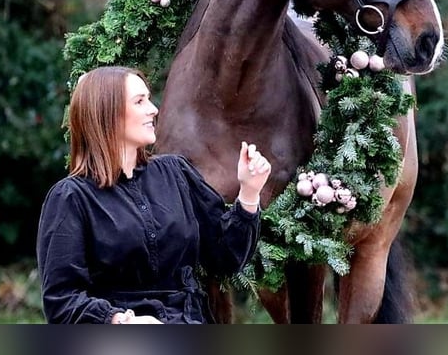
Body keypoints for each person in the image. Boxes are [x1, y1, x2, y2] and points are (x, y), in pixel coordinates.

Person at [36, 66, 271, 324]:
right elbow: (61, 302)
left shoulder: (176, 173)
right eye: (139, 101)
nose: (154, 109)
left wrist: (249, 191)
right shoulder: (71, 198)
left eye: (148, 98)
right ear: (106, 113)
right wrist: (121, 321)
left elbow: (226, 259)